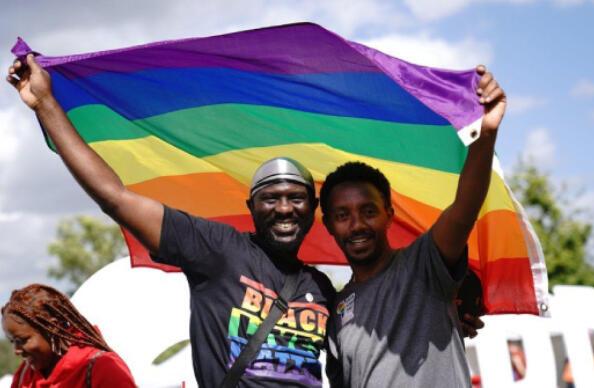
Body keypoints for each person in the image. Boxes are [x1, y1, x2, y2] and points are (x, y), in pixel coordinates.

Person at [7, 55, 335, 387]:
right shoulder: (218, 250)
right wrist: (46, 104)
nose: (284, 209)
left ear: (313, 208)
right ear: (251, 207)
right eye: (270, 198)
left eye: (296, 198)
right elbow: (115, 197)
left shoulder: (321, 289)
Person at [320, 66, 505, 387]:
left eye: (368, 211)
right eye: (342, 215)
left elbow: (464, 209)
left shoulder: (423, 264)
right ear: (329, 226)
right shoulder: (335, 309)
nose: (357, 224)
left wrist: (485, 136)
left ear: (389, 214)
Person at [1, 284, 135, 387]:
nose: (16, 351)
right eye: (13, 341)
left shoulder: (103, 368)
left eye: (22, 340)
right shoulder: (25, 374)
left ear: (51, 328)